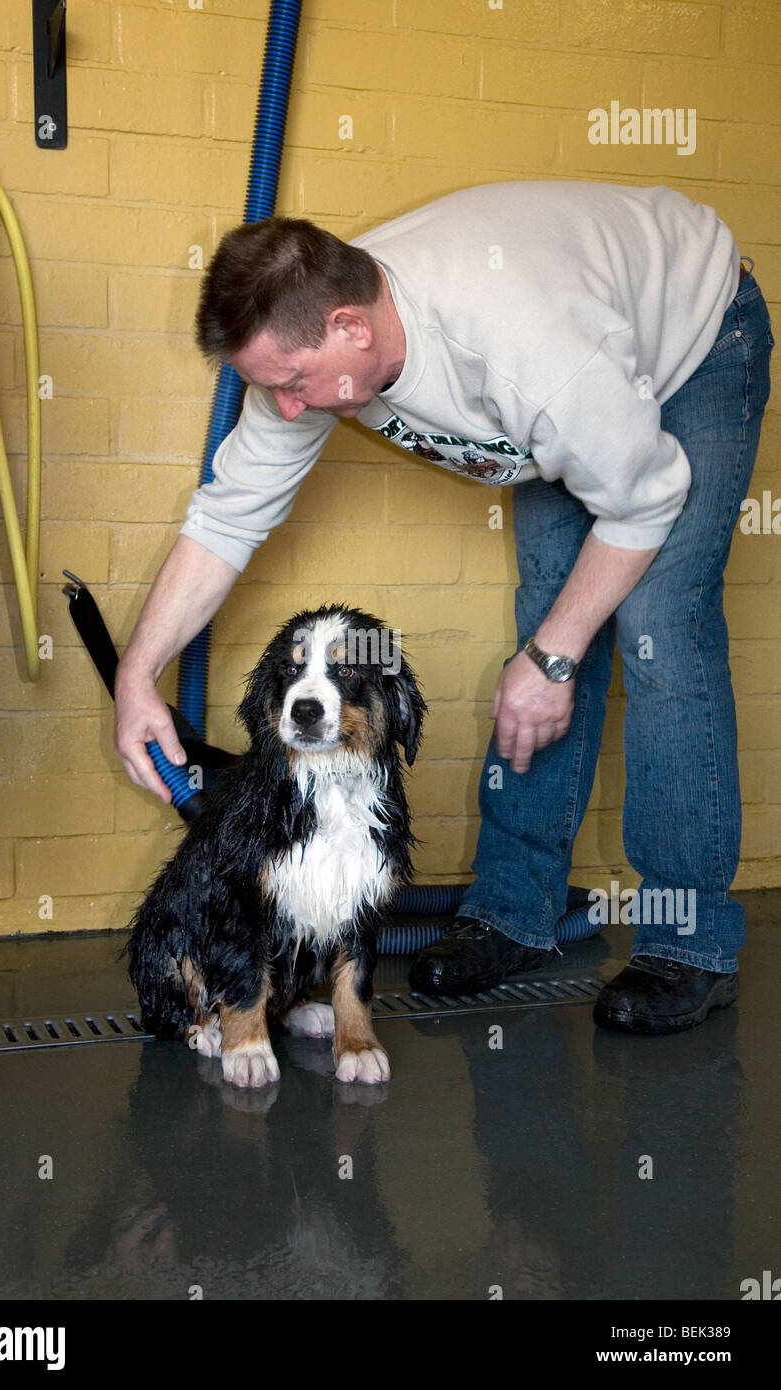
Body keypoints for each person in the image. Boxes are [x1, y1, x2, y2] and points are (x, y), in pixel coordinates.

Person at [114, 180, 773, 1036]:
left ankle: (687, 944)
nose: (284, 407)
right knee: (546, 625)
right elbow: (230, 514)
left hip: (694, 339)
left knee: (655, 630)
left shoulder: (521, 344)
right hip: (574, 389)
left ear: (351, 327)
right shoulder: (310, 336)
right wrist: (138, 674)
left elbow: (646, 500)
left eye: (291, 384)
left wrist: (554, 657)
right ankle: (511, 912)